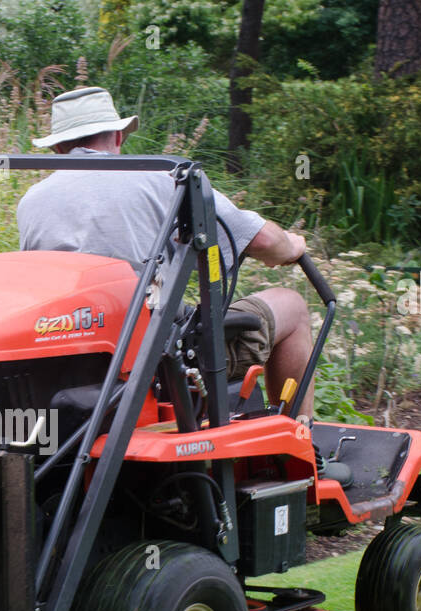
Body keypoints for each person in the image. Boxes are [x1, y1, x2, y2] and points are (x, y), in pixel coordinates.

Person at [17, 86, 317, 420]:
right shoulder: (162, 179)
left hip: (73, 357)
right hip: (160, 361)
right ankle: (300, 441)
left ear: (58, 147)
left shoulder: (31, 201)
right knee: (292, 307)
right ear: (118, 136)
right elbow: (259, 240)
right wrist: (291, 245)